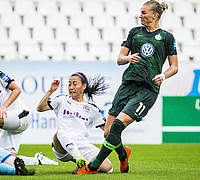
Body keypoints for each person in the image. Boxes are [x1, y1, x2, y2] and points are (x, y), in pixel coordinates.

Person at [75, 0, 178, 174]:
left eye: (144, 12)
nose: (140, 15)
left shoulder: (166, 37)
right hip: (127, 85)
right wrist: (128, 58)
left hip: (147, 89)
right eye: (140, 12)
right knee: (108, 132)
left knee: (117, 125)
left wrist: (163, 75)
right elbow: (119, 58)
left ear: (155, 15)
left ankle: (93, 166)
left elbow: (174, 67)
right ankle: (123, 154)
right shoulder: (135, 33)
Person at [0, 56, 58, 166]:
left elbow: (17, 89)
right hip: (6, 124)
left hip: (21, 115)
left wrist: (3, 107)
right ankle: (38, 160)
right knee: (7, 161)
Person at [37, 72, 113, 173]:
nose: (71, 87)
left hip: (81, 144)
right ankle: (79, 159)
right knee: (60, 132)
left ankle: (82, 166)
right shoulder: (62, 100)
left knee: (108, 168)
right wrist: (50, 91)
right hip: (62, 146)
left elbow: (107, 130)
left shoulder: (92, 108)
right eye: (69, 84)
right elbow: (40, 108)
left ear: (84, 86)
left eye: (74, 84)